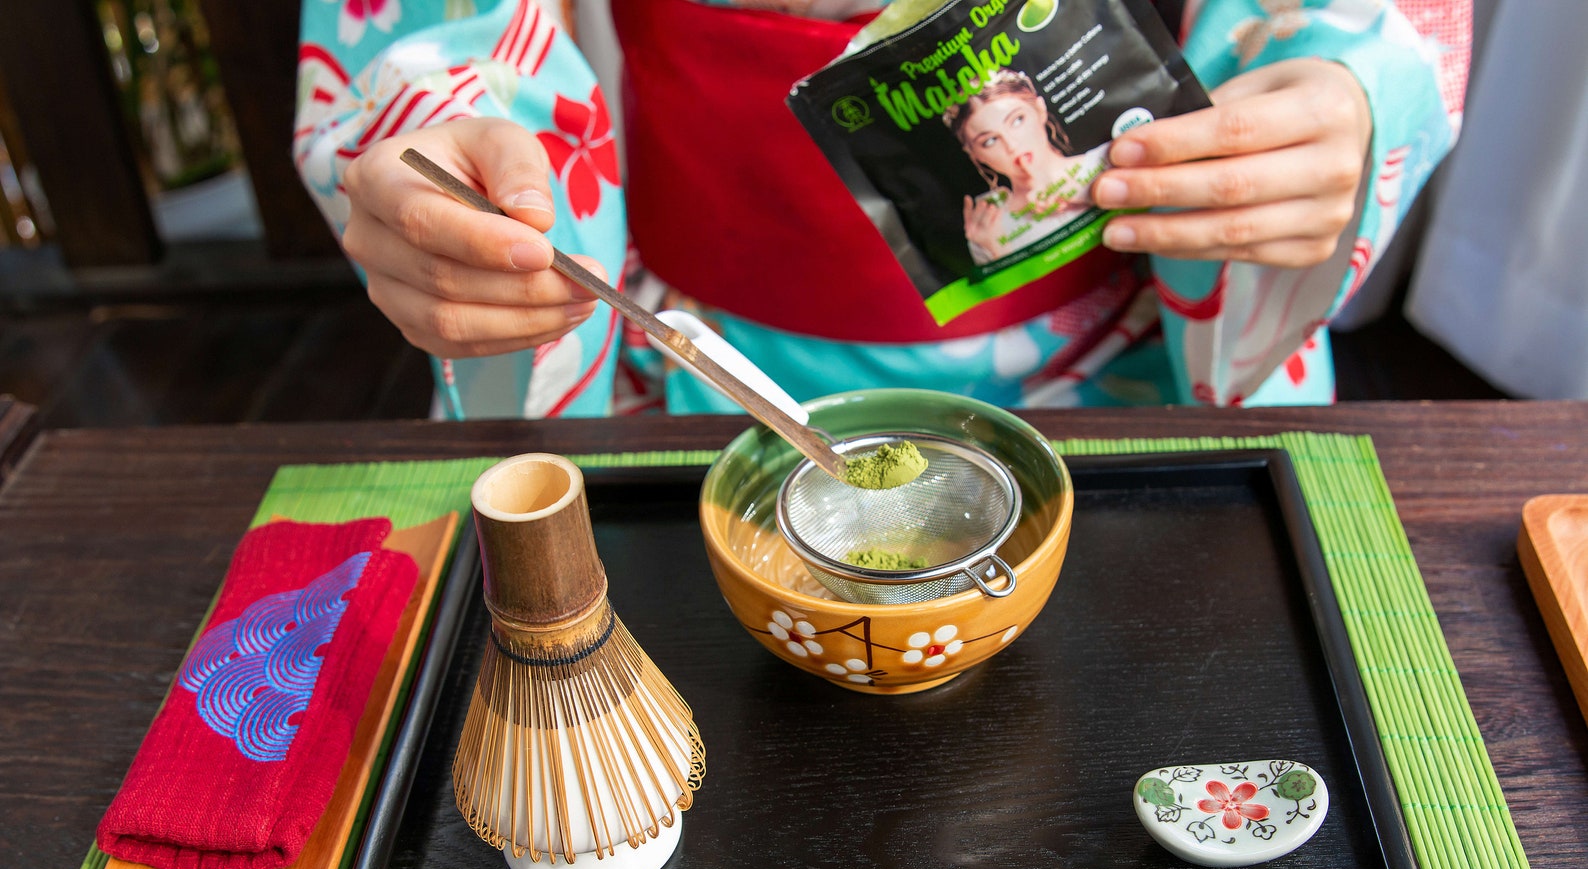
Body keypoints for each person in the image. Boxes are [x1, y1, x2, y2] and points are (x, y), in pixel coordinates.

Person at [294, 0, 1470, 417]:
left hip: (1132, 357)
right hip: (689, 360)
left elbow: (1344, 25)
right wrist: (431, 126)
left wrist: (1342, 82)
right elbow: (435, 33)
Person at [946, 69, 1108, 267]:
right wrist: (998, 250)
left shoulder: (1105, 161)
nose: (1011, 145)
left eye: (1017, 120)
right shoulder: (987, 228)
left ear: (1040, 109)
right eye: (990, 141)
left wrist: (1097, 195)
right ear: (974, 154)